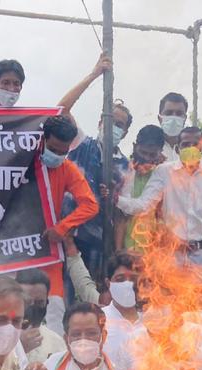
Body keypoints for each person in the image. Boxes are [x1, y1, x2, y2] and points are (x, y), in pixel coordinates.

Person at [117, 127, 202, 269]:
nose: (190, 148)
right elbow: (145, 205)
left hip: (198, 254)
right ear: (177, 149)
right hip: (170, 254)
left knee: (200, 291)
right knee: (166, 290)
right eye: (185, 144)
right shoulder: (164, 171)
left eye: (195, 144)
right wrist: (117, 200)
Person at [64, 57, 128, 280]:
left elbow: (122, 214)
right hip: (69, 236)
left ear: (126, 133)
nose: (113, 127)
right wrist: (93, 75)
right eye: (111, 120)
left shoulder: (125, 166)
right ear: (101, 121)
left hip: (100, 245)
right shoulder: (81, 144)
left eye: (120, 125)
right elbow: (61, 110)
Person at [38, 114, 99, 299]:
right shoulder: (20, 160)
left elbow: (90, 205)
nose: (56, 156)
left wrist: (62, 228)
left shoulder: (66, 167)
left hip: (49, 249)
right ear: (43, 139)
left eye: (62, 152)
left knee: (54, 311)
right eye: (52, 149)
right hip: (12, 251)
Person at [118, 126, 166, 251]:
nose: (147, 158)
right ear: (135, 147)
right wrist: (118, 251)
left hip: (151, 252)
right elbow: (120, 217)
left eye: (152, 154)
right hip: (124, 249)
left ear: (160, 152)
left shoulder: (163, 176)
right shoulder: (122, 170)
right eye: (143, 152)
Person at [15, 269, 66, 363]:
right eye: (27, 302)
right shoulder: (0, 338)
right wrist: (19, 348)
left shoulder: (56, 342)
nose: (33, 307)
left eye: (39, 302)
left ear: (47, 302)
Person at [156, 92, 189, 161]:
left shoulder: (191, 148)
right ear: (159, 118)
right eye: (168, 113)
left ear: (185, 119)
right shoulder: (148, 150)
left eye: (179, 113)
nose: (174, 117)